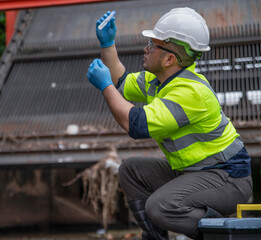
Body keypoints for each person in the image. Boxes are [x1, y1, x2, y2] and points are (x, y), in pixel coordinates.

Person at [87, 7, 252, 240]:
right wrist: (107, 44)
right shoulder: (159, 81)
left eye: (152, 44)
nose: (145, 49)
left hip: (227, 179)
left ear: (169, 58)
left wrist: (105, 88)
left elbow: (135, 123)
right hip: (193, 174)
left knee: (161, 206)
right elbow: (121, 82)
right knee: (131, 170)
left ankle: (224, 234)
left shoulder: (190, 92)